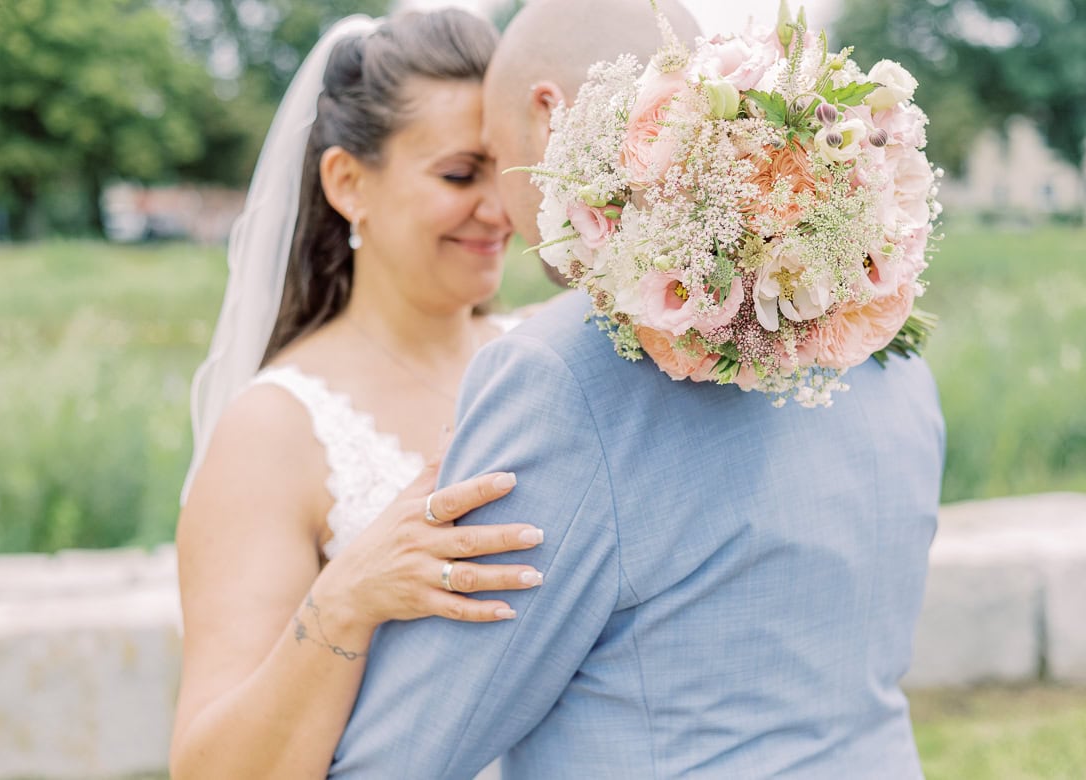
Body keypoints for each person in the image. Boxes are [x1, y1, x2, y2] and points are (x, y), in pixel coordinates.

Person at [328, 0, 946, 777]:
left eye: (491, 153)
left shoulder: (558, 375)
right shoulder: (885, 343)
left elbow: (405, 753)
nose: (500, 213)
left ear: (546, 118)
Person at [169, 10, 548, 779]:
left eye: (507, 170)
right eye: (458, 173)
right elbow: (213, 768)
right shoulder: (277, 429)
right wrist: (348, 598)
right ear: (348, 182)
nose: (500, 210)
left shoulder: (545, 359)